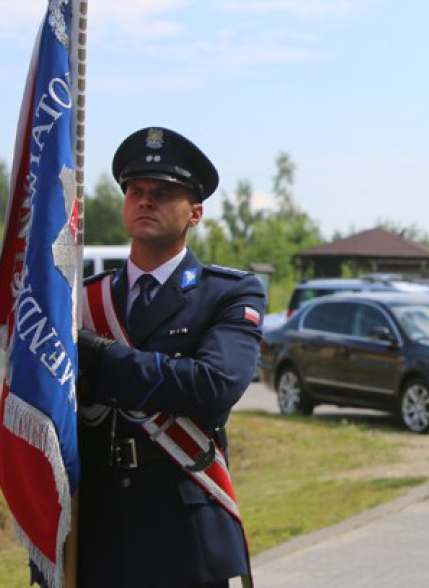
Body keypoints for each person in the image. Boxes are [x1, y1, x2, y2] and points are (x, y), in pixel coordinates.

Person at [75, 126, 265, 588]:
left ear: (195, 212)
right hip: (97, 523)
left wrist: (100, 358)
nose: (145, 201)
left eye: (162, 193)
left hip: (182, 527)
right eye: (136, 191)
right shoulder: (86, 298)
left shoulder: (229, 292)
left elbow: (212, 387)